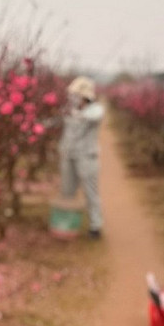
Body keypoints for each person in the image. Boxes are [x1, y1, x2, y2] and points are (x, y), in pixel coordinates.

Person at [59, 76, 104, 238]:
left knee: (90, 192)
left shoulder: (95, 109)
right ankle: (68, 224)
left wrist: (78, 114)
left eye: (76, 95)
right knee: (67, 190)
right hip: (69, 154)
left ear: (85, 96)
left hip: (87, 156)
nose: (73, 98)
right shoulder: (69, 109)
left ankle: (95, 226)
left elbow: (95, 116)